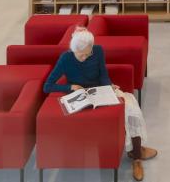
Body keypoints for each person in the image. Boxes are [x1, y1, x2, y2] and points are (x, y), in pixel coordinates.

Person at [44, 28, 157, 181]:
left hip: (100, 92)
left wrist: (110, 86)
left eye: (88, 53)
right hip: (82, 99)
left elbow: (103, 75)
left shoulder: (97, 51)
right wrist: (70, 87)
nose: (85, 57)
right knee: (123, 109)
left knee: (130, 106)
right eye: (81, 55)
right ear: (73, 50)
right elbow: (48, 86)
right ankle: (135, 150)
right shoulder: (66, 58)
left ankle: (136, 157)